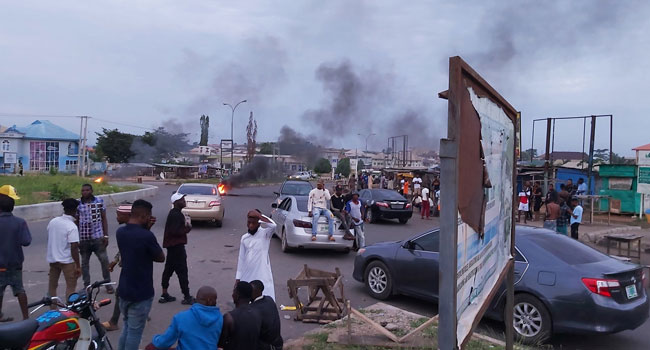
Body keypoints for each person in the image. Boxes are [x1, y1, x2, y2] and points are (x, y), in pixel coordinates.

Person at [116, 199, 165, 350]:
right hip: (141, 292)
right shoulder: (146, 236)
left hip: (124, 290)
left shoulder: (120, 232)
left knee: (127, 327)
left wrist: (146, 229)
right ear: (143, 216)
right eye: (148, 216)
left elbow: (136, 249)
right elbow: (160, 257)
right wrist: (147, 231)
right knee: (135, 332)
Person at [146, 286, 223, 350]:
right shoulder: (220, 318)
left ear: (197, 299)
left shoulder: (181, 317)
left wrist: (155, 340)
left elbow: (164, 342)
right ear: (212, 301)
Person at [0, 186, 31, 322]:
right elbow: (26, 241)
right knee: (20, 290)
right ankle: (26, 318)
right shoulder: (20, 222)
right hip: (15, 263)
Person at [77, 184, 113, 293]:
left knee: (104, 260)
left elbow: (103, 218)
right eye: (83, 190)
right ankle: (87, 286)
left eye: (87, 190)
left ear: (91, 191)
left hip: (98, 237)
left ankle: (107, 284)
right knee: (84, 263)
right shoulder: (78, 204)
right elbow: (76, 221)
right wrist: (76, 239)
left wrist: (106, 235)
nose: (85, 192)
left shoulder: (99, 201)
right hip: (84, 239)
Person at [236, 210, 277, 301]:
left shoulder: (265, 234)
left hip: (262, 273)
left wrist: (259, 215)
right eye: (249, 222)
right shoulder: (244, 238)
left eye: (253, 223)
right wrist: (238, 278)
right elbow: (241, 259)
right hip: (246, 274)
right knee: (246, 300)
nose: (250, 225)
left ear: (259, 223)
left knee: (264, 298)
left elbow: (273, 225)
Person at [47, 198, 81, 308]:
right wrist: (78, 265)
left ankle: (53, 308)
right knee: (71, 287)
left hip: (53, 259)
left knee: (52, 286)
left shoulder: (53, 221)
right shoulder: (71, 226)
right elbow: (74, 247)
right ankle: (70, 308)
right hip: (67, 261)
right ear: (75, 210)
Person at [102, 204, 132, 332]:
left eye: (119, 214)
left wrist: (115, 261)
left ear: (128, 216)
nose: (116, 217)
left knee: (120, 293)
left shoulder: (128, 232)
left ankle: (114, 321)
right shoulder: (130, 230)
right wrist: (114, 262)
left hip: (131, 269)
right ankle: (143, 314)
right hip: (133, 269)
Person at [159, 193, 193, 305]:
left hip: (172, 247)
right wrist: (187, 229)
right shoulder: (176, 215)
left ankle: (164, 294)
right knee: (182, 271)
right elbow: (175, 231)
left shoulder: (176, 213)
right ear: (176, 202)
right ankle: (187, 296)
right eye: (182, 199)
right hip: (176, 247)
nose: (184, 201)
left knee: (168, 270)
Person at [219, 281, 262, 350]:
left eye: (234, 292)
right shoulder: (258, 313)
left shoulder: (229, 318)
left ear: (237, 295)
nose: (232, 295)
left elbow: (221, 345)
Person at [250, 280, 283, 350]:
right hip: (278, 343)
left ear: (257, 291)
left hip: (268, 347)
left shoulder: (254, 309)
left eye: (250, 291)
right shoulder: (269, 299)